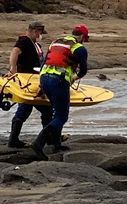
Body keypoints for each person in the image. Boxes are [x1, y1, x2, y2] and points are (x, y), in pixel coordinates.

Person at [30, 25, 90, 160]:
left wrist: (41, 86)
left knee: (56, 111)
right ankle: (38, 144)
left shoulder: (56, 43)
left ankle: (56, 144)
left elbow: (44, 64)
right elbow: (83, 71)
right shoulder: (79, 49)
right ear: (82, 37)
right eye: (84, 39)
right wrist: (74, 78)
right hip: (59, 82)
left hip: (44, 78)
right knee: (61, 116)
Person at [6, 21, 52, 148]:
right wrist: (12, 68)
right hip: (27, 81)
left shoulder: (34, 44)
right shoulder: (24, 41)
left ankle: (13, 139)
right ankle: (50, 138)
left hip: (32, 80)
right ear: (36, 31)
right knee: (47, 109)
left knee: (25, 108)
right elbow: (15, 52)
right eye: (40, 33)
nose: (40, 35)